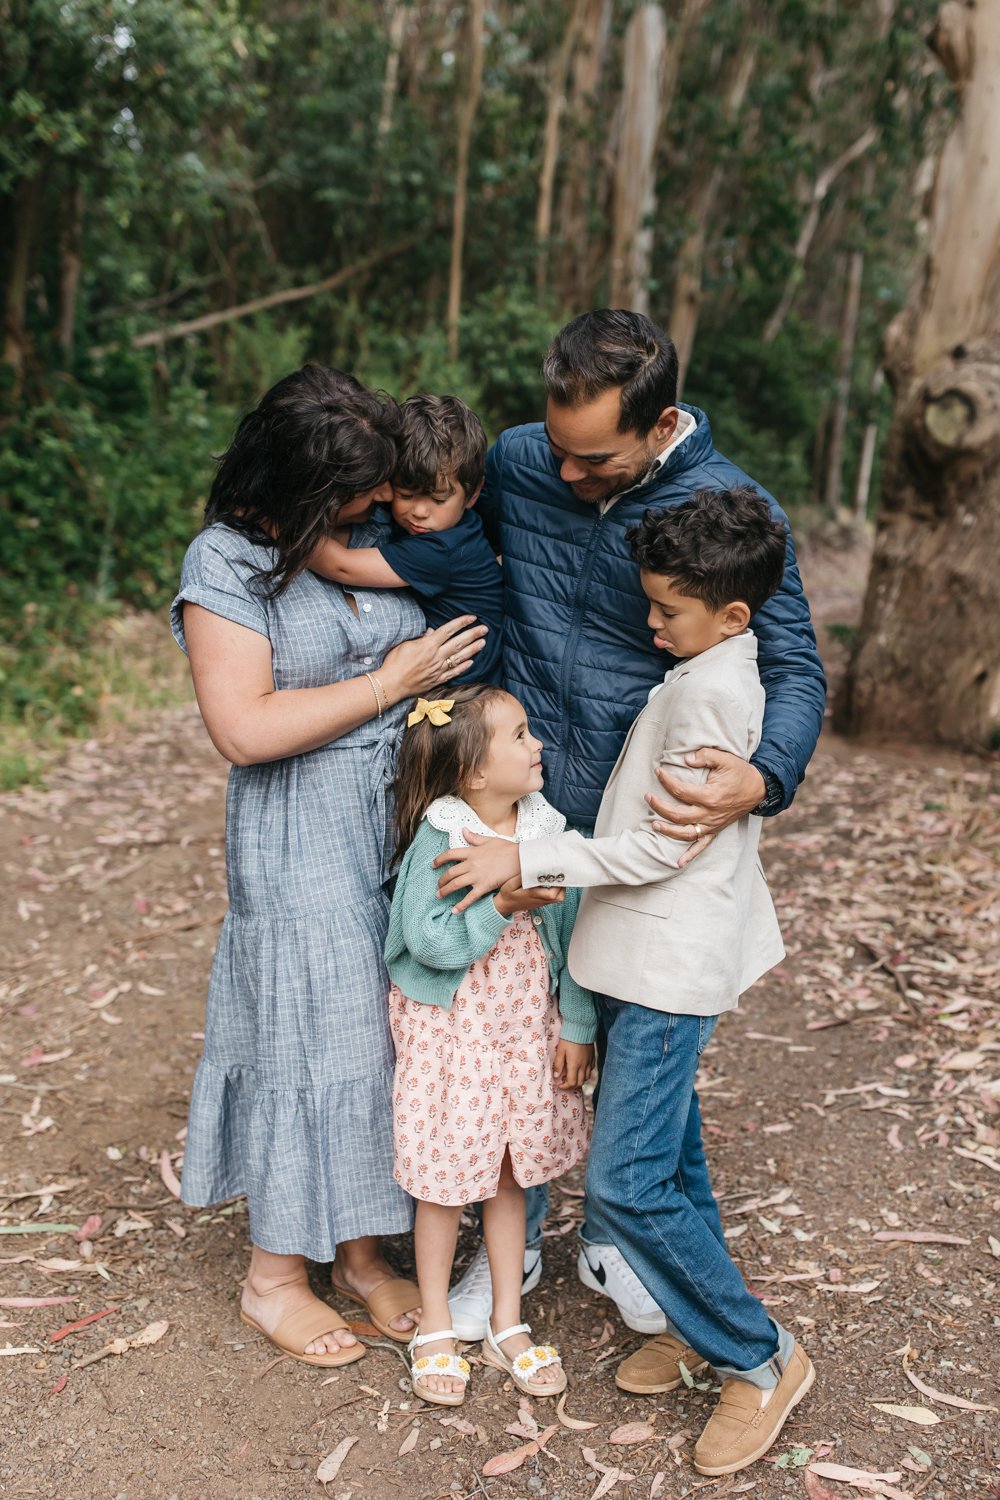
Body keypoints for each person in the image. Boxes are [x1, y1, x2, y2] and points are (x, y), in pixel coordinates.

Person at [445, 310, 827, 1357]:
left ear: (661, 423)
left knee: (618, 1031)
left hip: (627, 825)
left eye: (594, 458)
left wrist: (762, 774)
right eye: (554, 447)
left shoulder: (729, 511)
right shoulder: (526, 460)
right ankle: (502, 1239)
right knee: (495, 1022)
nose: (563, 474)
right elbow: (440, 539)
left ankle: (620, 1241)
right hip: (513, 799)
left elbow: (791, 667)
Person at [170, 365, 487, 1368]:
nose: (369, 509)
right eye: (351, 497)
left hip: (394, 820)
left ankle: (357, 1252)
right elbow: (244, 728)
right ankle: (273, 1276)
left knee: (383, 1038)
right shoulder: (223, 562)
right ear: (299, 482)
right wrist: (392, 681)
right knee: (310, 1035)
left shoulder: (362, 541)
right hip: (297, 821)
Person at [383, 685, 597, 1405]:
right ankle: (436, 1324)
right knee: (447, 1183)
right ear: (474, 773)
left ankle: (508, 1321)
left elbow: (570, 934)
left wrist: (576, 1021)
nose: (538, 744)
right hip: (456, 1036)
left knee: (512, 1175)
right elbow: (430, 943)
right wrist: (502, 904)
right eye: (520, 735)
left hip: (522, 1033)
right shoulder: (440, 841)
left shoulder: (549, 833)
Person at [306, 393, 503, 684]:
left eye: (437, 499)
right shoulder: (451, 525)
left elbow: (341, 565)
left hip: (465, 690)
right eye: (406, 495)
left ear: (473, 494)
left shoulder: (441, 550)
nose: (419, 512)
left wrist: (282, 522)